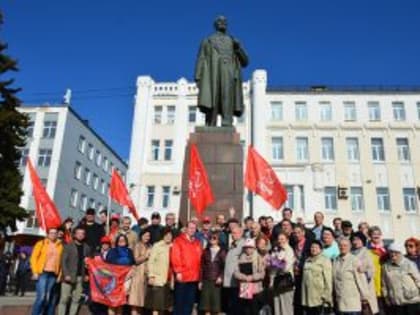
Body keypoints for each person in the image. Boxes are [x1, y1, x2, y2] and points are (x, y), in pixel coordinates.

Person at [194, 15, 249, 127]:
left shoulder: (233, 41)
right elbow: (201, 58)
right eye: (219, 21)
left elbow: (245, 62)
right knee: (212, 96)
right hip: (212, 72)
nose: (222, 22)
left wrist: (238, 48)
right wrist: (198, 76)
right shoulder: (207, 41)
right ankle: (211, 122)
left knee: (227, 96)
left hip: (229, 72)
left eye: (224, 21)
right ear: (215, 25)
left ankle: (227, 121)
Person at [170, 221, 203, 315]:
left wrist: (200, 277)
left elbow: (200, 259)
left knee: (189, 303)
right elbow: (175, 257)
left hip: (194, 277)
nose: (192, 230)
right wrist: (178, 272)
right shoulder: (178, 240)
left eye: (194, 228)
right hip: (183, 276)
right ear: (186, 229)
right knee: (179, 302)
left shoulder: (197, 243)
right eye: (190, 228)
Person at [30, 227, 64, 315]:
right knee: (41, 297)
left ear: (57, 234)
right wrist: (35, 272)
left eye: (55, 233)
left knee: (48, 298)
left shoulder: (60, 246)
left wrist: (60, 275)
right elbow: (33, 258)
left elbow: (61, 262)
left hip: (53, 275)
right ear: (48, 234)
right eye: (51, 233)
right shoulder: (41, 243)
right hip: (42, 273)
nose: (53, 235)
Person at [58, 227, 91, 315]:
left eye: (82, 233)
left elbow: (88, 263)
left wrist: (87, 274)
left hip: (81, 276)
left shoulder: (87, 247)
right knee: (64, 299)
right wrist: (66, 274)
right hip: (68, 276)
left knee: (76, 300)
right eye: (78, 233)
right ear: (75, 235)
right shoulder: (68, 246)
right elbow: (63, 261)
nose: (80, 235)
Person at [381, 242, 420, 315]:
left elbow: (418, 280)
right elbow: (384, 284)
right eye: (391, 252)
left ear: (401, 253)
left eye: (396, 252)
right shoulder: (385, 266)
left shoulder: (409, 264)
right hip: (396, 302)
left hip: (411, 301)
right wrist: (386, 298)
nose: (393, 254)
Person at [334, 237, 369, 315]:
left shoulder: (354, 260)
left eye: (345, 245)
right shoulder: (336, 260)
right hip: (340, 302)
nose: (342, 247)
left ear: (350, 247)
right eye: (340, 245)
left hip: (353, 303)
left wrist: (365, 297)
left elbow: (361, 279)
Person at [146, 227, 173, 315]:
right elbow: (151, 262)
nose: (168, 237)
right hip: (158, 279)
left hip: (168, 280)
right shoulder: (157, 246)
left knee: (164, 306)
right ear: (163, 236)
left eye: (170, 235)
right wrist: (151, 275)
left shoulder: (173, 246)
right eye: (166, 235)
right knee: (156, 306)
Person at [234, 238, 265, 315]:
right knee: (245, 310)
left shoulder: (258, 258)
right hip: (245, 287)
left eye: (250, 247)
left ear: (254, 248)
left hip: (255, 288)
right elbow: (236, 273)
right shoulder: (240, 258)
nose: (248, 249)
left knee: (254, 309)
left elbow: (262, 274)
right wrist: (244, 277)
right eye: (246, 247)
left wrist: (252, 277)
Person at [301, 240, 333, 315]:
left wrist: (326, 295)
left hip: (319, 297)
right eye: (312, 247)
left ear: (320, 249)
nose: (313, 249)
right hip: (307, 297)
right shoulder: (307, 260)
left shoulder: (325, 260)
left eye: (316, 247)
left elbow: (328, 280)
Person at [199, 231, 227, 315]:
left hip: (216, 281)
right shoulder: (205, 251)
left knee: (215, 306)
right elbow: (202, 267)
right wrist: (200, 280)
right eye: (210, 238)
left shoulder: (222, 251)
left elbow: (224, 267)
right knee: (206, 306)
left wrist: (221, 277)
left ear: (218, 240)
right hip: (206, 280)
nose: (212, 239)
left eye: (214, 238)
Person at [106, 234, 135, 315]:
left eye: (123, 240)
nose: (122, 241)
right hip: (114, 279)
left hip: (126, 278)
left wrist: (131, 271)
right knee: (112, 301)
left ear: (126, 241)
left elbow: (133, 263)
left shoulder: (129, 251)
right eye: (120, 240)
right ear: (117, 241)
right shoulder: (112, 251)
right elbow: (108, 263)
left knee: (121, 301)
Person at [351, 232, 379, 314]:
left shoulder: (366, 252)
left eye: (358, 239)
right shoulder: (350, 253)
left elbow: (371, 270)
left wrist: (363, 271)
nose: (355, 241)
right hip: (353, 287)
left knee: (367, 309)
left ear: (362, 241)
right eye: (353, 239)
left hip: (365, 286)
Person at [269, 233, 296, 315]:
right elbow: (271, 267)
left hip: (286, 282)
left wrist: (275, 263)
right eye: (279, 239)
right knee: (277, 307)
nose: (280, 241)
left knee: (286, 308)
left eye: (282, 239)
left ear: (287, 240)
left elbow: (286, 268)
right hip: (276, 282)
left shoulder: (289, 250)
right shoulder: (276, 250)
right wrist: (278, 262)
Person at [128, 230, 152, 315]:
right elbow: (135, 260)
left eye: (148, 236)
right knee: (135, 302)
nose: (147, 237)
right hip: (137, 275)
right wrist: (146, 256)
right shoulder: (137, 245)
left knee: (141, 302)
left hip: (146, 276)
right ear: (141, 236)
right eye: (145, 235)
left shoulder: (150, 246)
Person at [223, 225, 245, 315]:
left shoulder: (243, 244)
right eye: (232, 233)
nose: (233, 235)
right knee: (232, 304)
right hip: (231, 281)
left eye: (235, 233)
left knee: (238, 305)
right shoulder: (233, 244)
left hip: (238, 280)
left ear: (241, 233)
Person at [367, 226, 388, 314]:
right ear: (369, 236)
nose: (376, 236)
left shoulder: (386, 249)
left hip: (385, 283)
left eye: (378, 234)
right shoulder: (367, 250)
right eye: (373, 234)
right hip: (372, 284)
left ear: (381, 235)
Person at [292, 224, 311, 315]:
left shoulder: (309, 244)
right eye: (295, 233)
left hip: (307, 276)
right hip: (297, 276)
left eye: (298, 232)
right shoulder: (294, 244)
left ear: (303, 233)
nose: (296, 235)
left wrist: (300, 267)